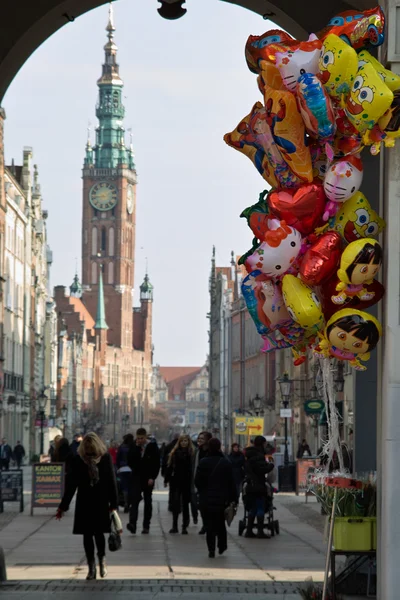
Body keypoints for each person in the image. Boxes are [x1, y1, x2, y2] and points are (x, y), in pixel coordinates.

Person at [56, 432, 119, 580]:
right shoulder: (78, 460)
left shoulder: (105, 458)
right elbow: (71, 484)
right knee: (87, 535)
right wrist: (63, 506)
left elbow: (111, 481)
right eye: (87, 447)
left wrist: (114, 503)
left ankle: (102, 560)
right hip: (84, 501)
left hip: (100, 501)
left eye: (92, 447)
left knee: (98, 534)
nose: (89, 450)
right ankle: (91, 567)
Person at [194, 438, 237, 558]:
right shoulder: (225, 463)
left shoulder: (203, 462)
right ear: (219, 448)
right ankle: (222, 546)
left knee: (209, 525)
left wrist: (203, 491)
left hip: (206, 499)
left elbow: (197, 481)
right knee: (220, 523)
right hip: (221, 499)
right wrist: (234, 498)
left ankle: (211, 549)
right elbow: (231, 483)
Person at [127, 427, 160, 535]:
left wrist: (152, 477)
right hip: (136, 477)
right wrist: (136, 448)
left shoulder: (152, 446)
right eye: (138, 438)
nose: (140, 440)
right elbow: (130, 461)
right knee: (134, 501)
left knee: (148, 502)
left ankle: (146, 525)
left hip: (148, 478)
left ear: (145, 437)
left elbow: (156, 463)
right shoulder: (133, 446)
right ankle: (132, 524)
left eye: (142, 438)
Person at [244, 435, 274, 539]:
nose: (266, 446)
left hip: (250, 484)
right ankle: (260, 532)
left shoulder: (249, 454)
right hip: (259, 485)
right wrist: (270, 466)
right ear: (261, 444)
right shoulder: (259, 455)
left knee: (253, 508)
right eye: (265, 444)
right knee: (260, 506)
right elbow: (261, 470)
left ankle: (249, 531)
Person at [164, 434, 195, 535]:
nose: (184, 443)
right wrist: (166, 479)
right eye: (182, 441)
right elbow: (170, 467)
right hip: (176, 481)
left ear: (188, 442)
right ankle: (174, 526)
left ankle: (184, 526)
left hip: (187, 481)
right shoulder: (174, 453)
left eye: (186, 441)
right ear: (179, 442)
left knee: (185, 505)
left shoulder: (192, 453)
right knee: (175, 504)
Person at [193, 431, 212, 534]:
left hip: (210, 483)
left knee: (209, 506)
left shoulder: (211, 452)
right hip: (200, 483)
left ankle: (208, 525)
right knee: (201, 506)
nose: (199, 440)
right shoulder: (197, 451)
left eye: (202, 439)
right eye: (198, 438)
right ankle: (205, 524)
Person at [161, 433, 179, 512]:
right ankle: (178, 505)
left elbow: (165, 461)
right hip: (180, 473)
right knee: (179, 490)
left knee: (172, 489)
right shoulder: (181, 447)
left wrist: (164, 473)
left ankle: (171, 504)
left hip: (171, 472)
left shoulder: (168, 446)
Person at [116, 433, 134, 513]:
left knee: (123, 487)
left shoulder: (121, 447)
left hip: (123, 469)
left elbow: (118, 458)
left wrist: (118, 467)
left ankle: (124, 502)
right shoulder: (133, 447)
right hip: (131, 469)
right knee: (131, 487)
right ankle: (129, 503)